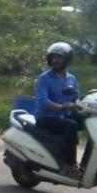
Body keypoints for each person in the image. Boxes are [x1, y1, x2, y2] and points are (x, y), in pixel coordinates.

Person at [35, 41, 82, 176]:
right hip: (45, 118)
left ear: (67, 59)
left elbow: (76, 98)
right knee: (71, 126)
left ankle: (87, 162)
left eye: (59, 57)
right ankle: (69, 165)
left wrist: (80, 105)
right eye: (53, 57)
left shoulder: (71, 79)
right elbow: (43, 101)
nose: (55, 60)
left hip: (63, 116)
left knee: (85, 120)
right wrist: (62, 107)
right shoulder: (44, 78)